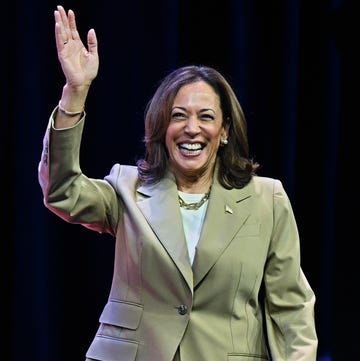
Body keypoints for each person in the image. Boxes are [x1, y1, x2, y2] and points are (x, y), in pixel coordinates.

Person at [38, 5, 318, 361]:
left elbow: (291, 307)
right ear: (161, 128)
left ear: (225, 130)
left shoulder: (267, 199)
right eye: (178, 116)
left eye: (206, 117)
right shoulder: (128, 188)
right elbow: (61, 191)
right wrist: (74, 93)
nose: (191, 128)